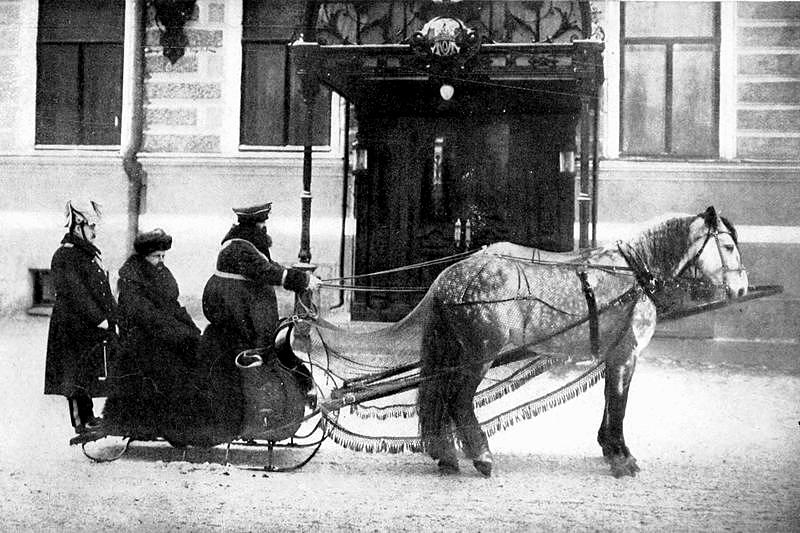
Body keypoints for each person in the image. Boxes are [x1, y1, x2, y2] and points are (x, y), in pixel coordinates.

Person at [189, 202, 321, 445]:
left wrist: (301, 278)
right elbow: (266, 271)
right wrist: (301, 279)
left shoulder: (245, 243)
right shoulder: (240, 248)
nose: (264, 227)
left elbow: (268, 267)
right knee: (262, 349)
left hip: (243, 308)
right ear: (253, 225)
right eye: (262, 223)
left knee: (273, 346)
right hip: (237, 312)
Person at [102, 228, 201, 441]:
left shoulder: (159, 273)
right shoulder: (132, 279)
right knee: (172, 369)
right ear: (144, 256)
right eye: (157, 256)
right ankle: (167, 427)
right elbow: (146, 316)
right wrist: (178, 333)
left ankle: (184, 425)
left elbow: (173, 306)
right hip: (141, 342)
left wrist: (191, 329)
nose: (161, 260)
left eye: (163, 255)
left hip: (160, 335)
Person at [44, 200, 117, 436]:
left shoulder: (86, 254)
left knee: (87, 371)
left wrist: (115, 316)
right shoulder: (65, 256)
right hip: (72, 326)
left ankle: (90, 417)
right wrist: (100, 319)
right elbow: (76, 293)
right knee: (74, 375)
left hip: (87, 326)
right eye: (91, 226)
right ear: (78, 227)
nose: (95, 232)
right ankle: (81, 421)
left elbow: (101, 290)